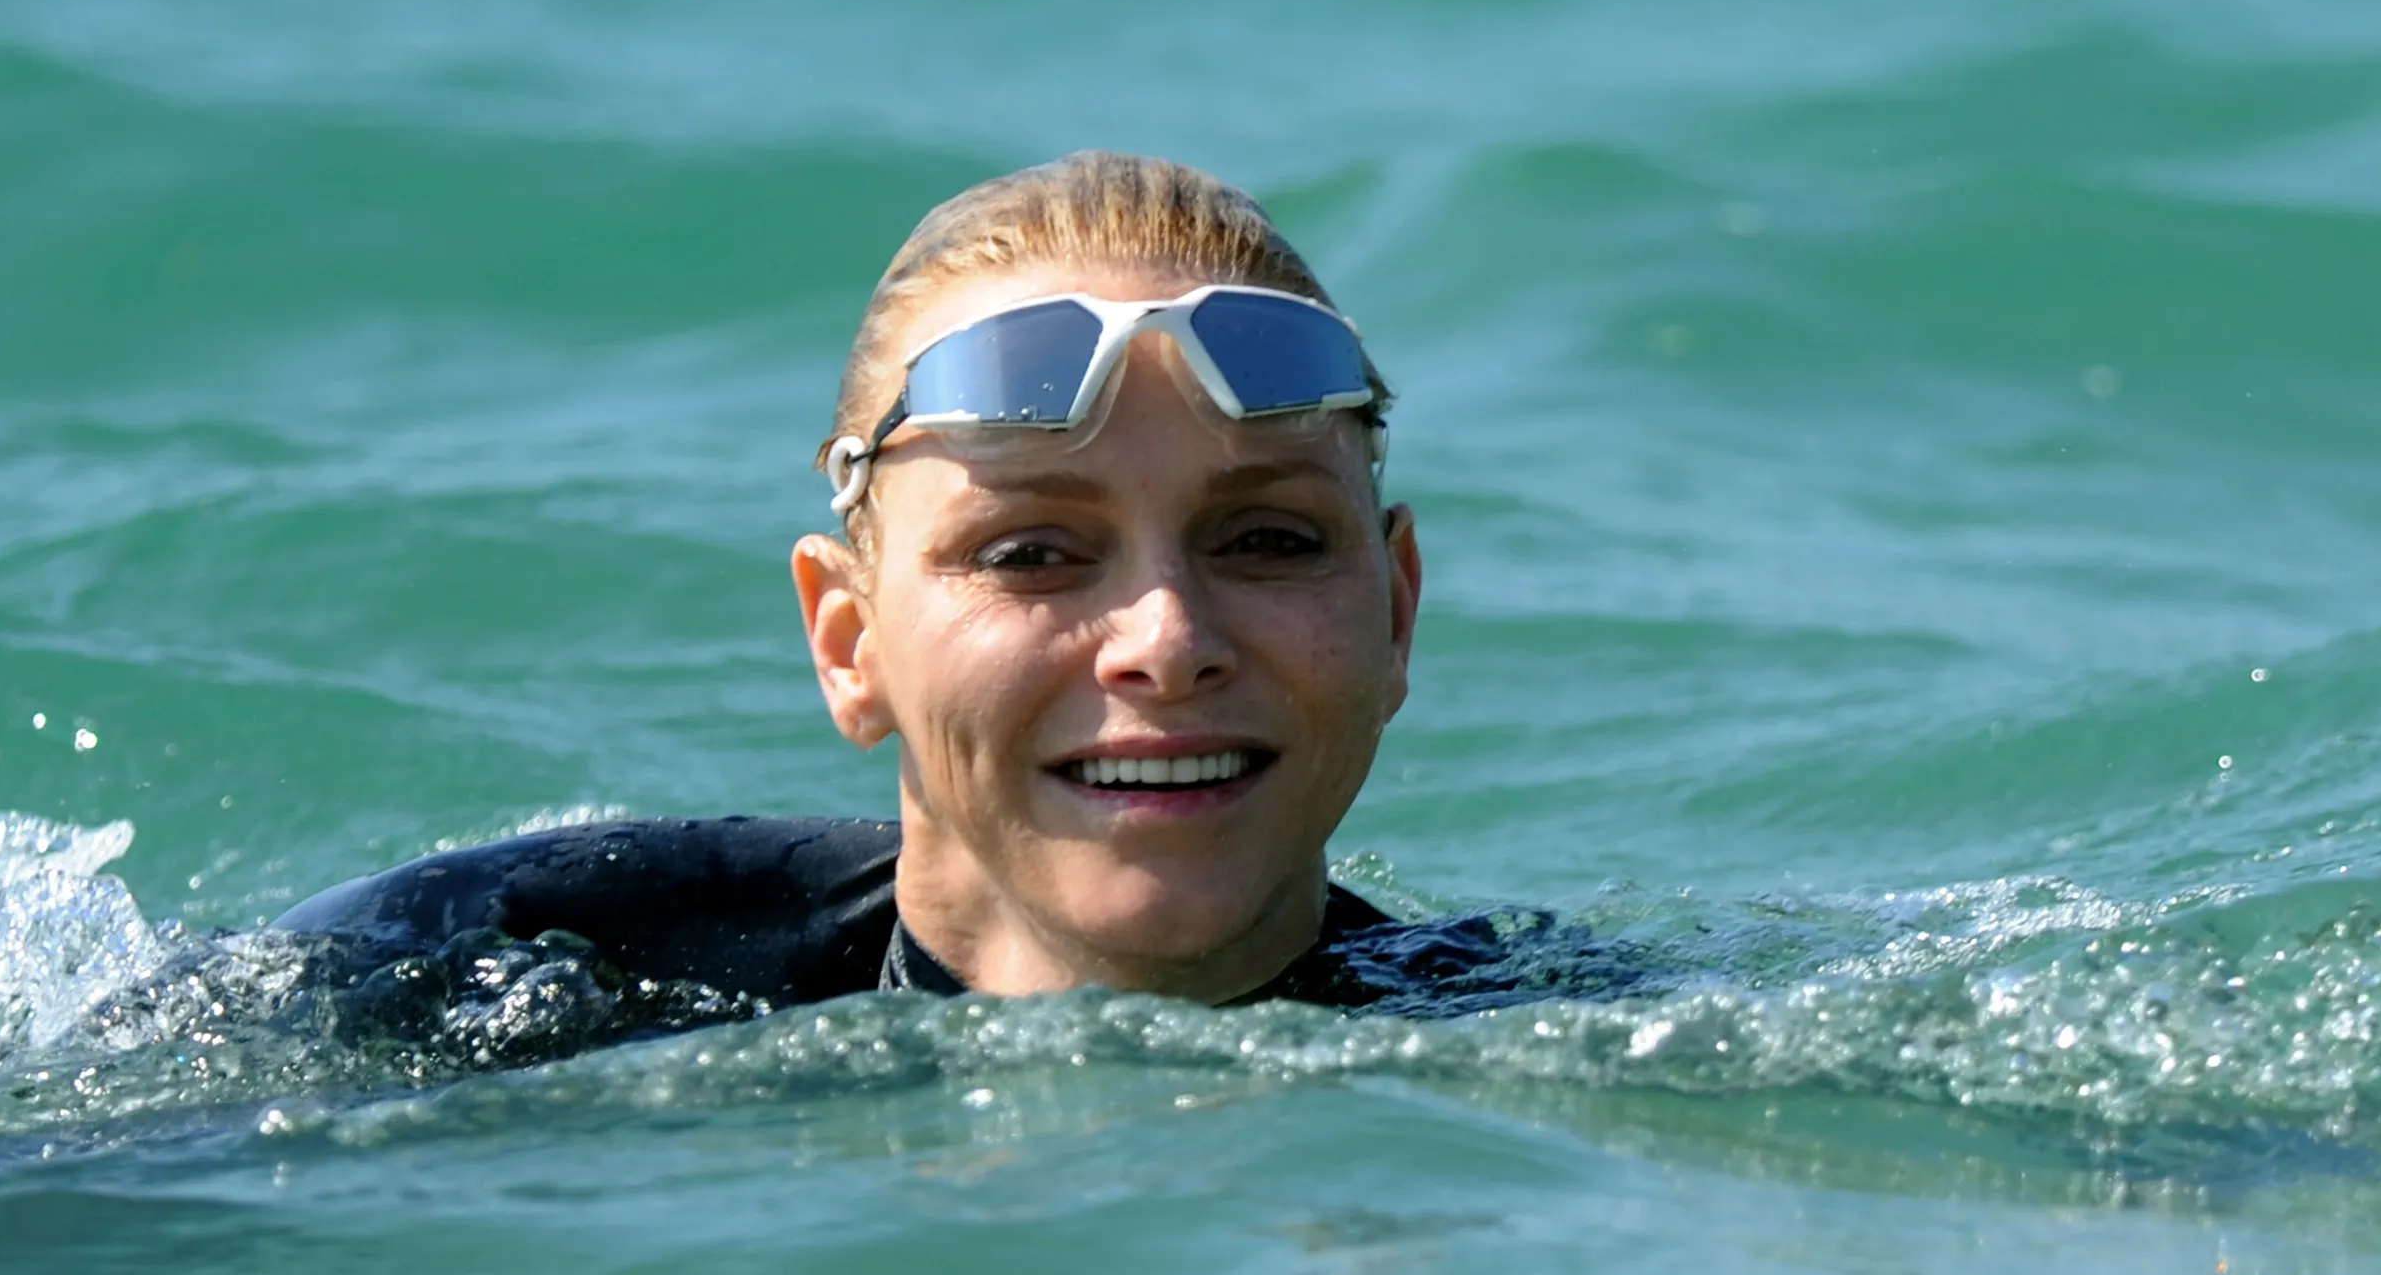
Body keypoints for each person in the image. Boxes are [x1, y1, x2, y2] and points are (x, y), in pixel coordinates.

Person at [276, 151, 1624, 1036]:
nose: (1168, 641)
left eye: (1266, 540)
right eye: (1032, 553)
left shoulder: (1563, 1047)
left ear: (1395, 613)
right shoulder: (461, 984)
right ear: (849, 641)